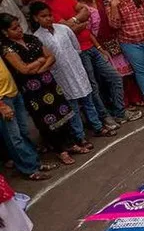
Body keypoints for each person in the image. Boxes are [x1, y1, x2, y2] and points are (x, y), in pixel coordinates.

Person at [36, 0, 133, 130]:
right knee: (92, 87)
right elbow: (65, 31)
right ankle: (105, 117)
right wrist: (76, 23)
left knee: (114, 77)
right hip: (76, 52)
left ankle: (119, 111)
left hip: (90, 44)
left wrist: (71, 21)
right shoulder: (40, 6)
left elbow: (85, 13)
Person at [0, 13, 86, 166]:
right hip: (32, 90)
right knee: (46, 120)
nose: (19, 30)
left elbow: (51, 57)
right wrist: (40, 61)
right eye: (14, 29)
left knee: (62, 113)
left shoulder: (30, 38)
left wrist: (40, 67)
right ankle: (61, 150)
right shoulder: (7, 48)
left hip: (48, 82)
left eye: (19, 26)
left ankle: (71, 143)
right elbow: (23, 69)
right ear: (5, 32)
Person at [30, 2, 111, 151]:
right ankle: (80, 136)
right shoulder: (38, 38)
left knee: (88, 99)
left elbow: (76, 47)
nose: (48, 18)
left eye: (49, 15)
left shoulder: (64, 29)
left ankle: (98, 127)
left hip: (76, 69)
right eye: (43, 16)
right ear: (36, 18)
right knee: (72, 107)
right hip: (60, 75)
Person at [0, 53, 52, 181]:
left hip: (13, 93)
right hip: (3, 100)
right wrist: (1, 106)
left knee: (24, 132)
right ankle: (29, 169)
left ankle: (35, 163)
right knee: (14, 137)